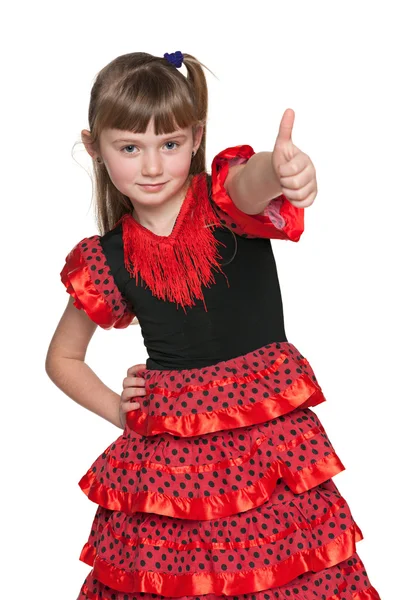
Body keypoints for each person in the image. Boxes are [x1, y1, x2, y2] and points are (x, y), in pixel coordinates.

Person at [45, 50, 381, 599]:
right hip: (171, 462)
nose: (152, 166)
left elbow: (256, 181)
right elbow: (62, 358)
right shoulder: (106, 258)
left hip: (268, 446)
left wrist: (281, 168)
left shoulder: (225, 203)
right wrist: (120, 411)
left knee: (285, 576)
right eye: (130, 147)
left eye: (170, 144)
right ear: (94, 147)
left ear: (196, 138)